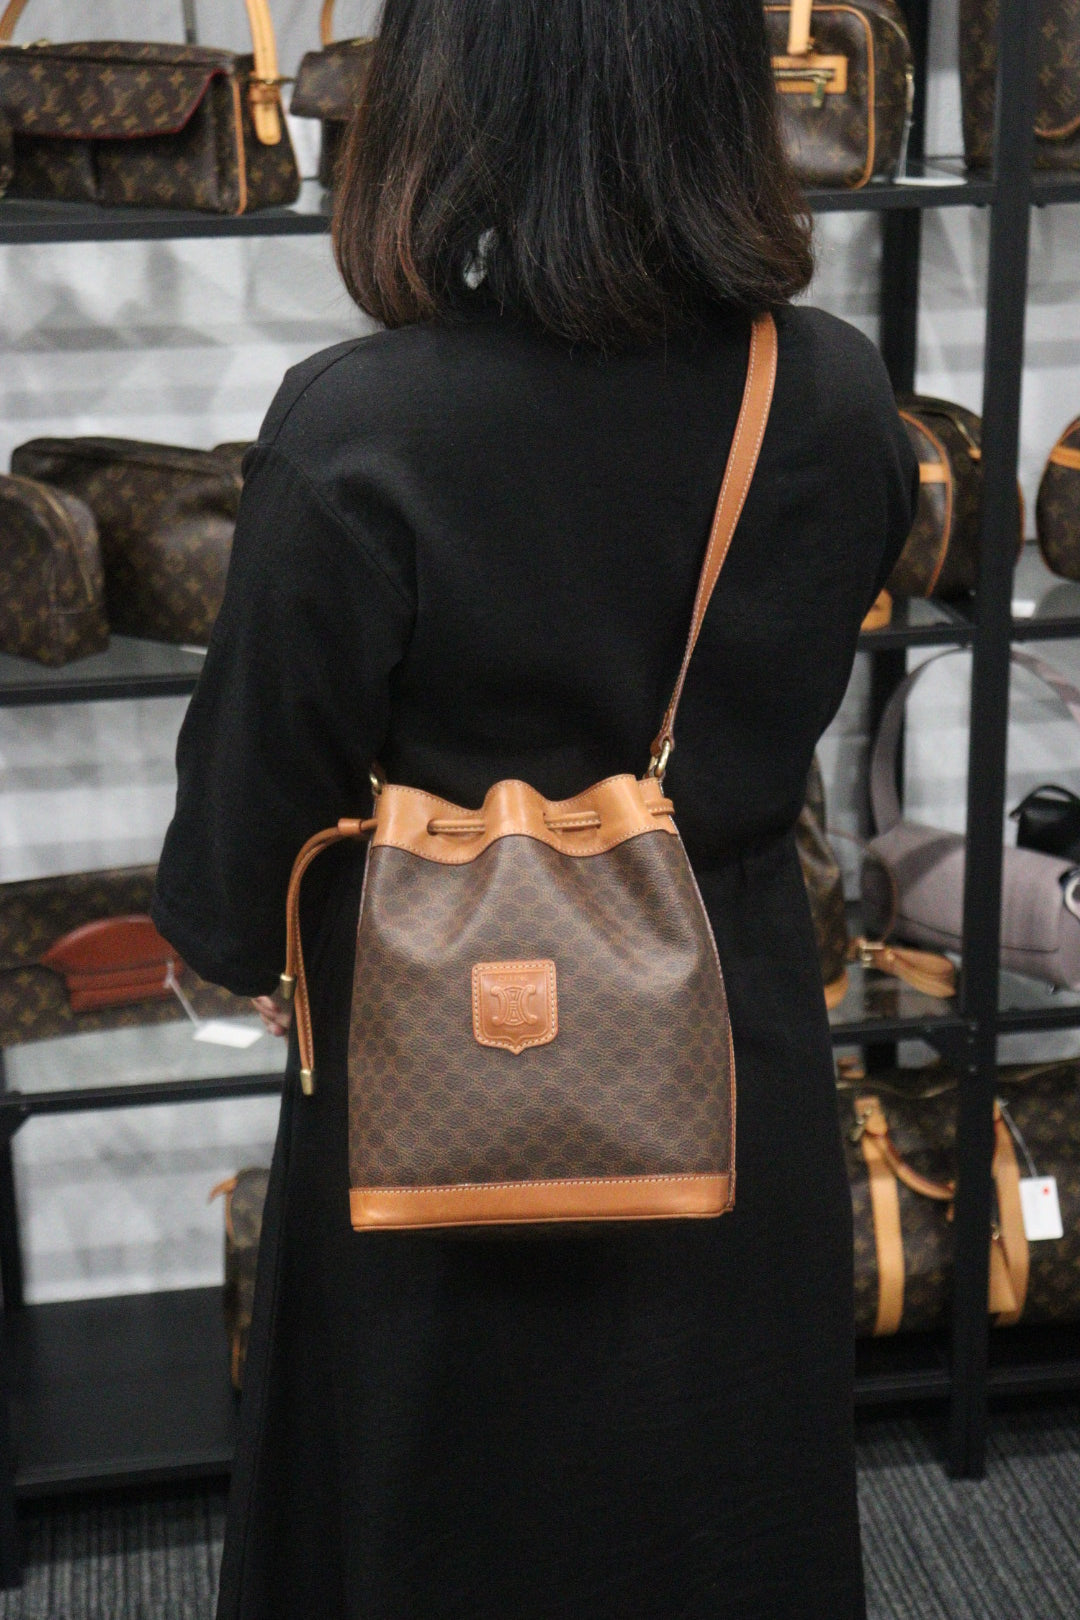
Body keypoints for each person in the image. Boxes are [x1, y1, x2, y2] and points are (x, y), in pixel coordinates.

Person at [151, 1, 917, 1615]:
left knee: (434, 1525)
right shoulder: (838, 395)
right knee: (722, 1507)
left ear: (451, 93)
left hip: (442, 1076)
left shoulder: (364, 426)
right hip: (730, 1053)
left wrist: (233, 942)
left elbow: (245, 838)